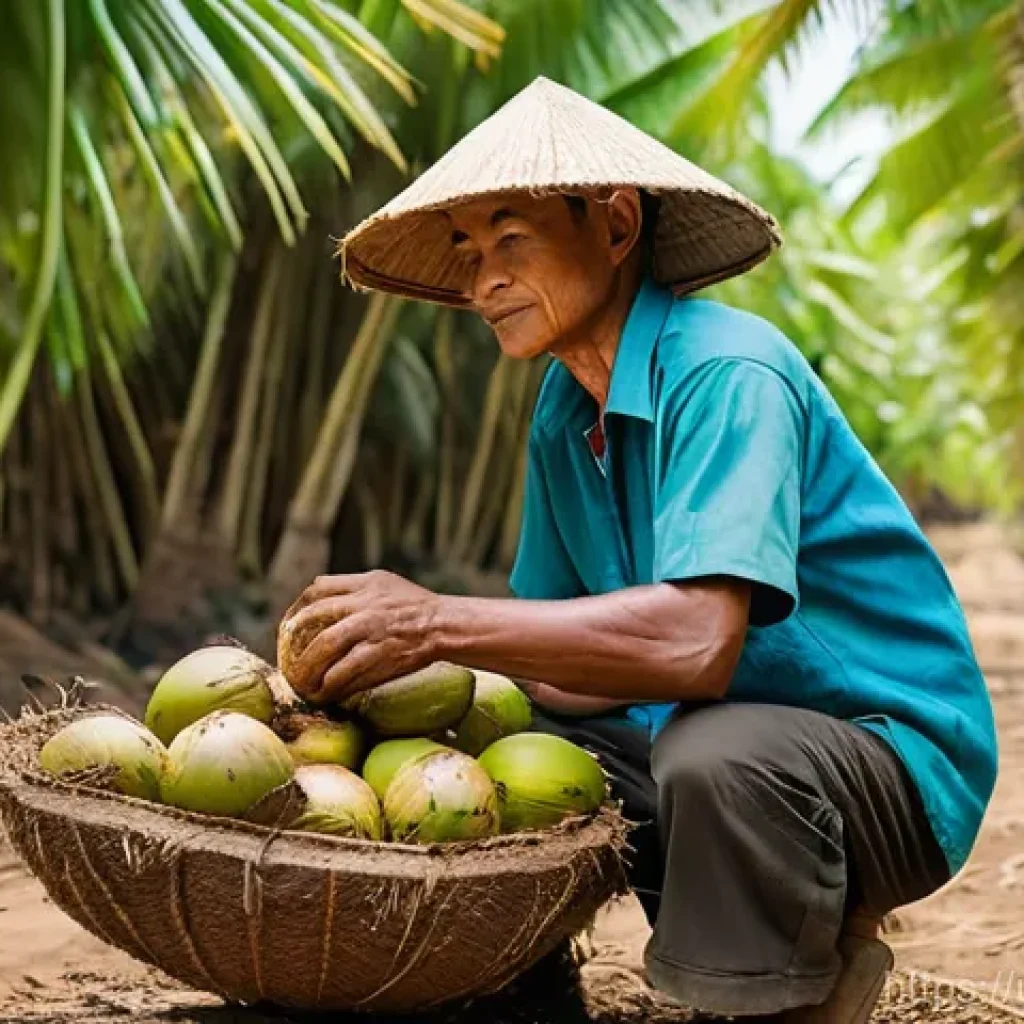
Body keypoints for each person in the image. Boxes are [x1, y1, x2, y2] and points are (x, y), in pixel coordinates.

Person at [282, 78, 998, 1022]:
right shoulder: (562, 410)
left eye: (510, 240)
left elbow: (700, 644)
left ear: (616, 227)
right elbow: (563, 672)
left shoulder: (727, 370)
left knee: (716, 751)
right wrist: (415, 681)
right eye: (466, 251)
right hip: (705, 737)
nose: (480, 279)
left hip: (886, 762)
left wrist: (436, 618)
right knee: (484, 755)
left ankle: (774, 994)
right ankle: (521, 994)